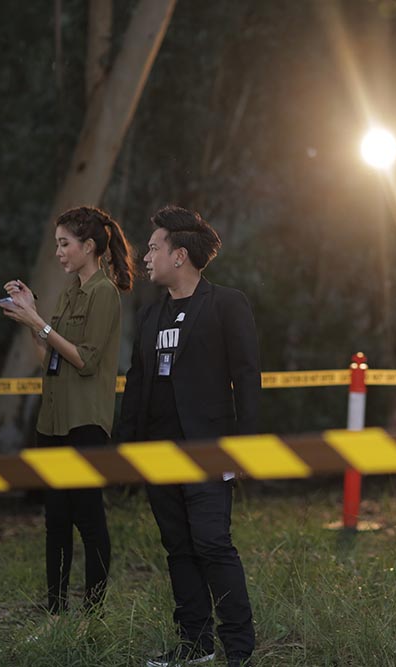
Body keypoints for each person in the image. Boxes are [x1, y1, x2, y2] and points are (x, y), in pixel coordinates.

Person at [118, 206, 259, 667]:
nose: (146, 257)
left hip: (209, 449)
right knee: (178, 548)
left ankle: (239, 649)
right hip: (157, 452)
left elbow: (247, 376)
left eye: (153, 248)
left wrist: (246, 445)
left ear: (179, 255)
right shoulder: (149, 315)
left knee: (212, 543)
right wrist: (125, 449)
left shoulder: (226, 303)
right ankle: (195, 644)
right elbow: (136, 383)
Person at [0, 206, 135, 618]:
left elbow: (84, 360)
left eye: (64, 244)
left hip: (85, 421)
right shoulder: (70, 291)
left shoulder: (104, 294)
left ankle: (93, 616)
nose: (58, 252)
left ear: (88, 246)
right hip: (53, 421)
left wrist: (38, 322)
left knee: (89, 519)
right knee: (55, 520)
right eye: (56, 244)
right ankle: (56, 613)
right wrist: (29, 315)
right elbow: (49, 358)